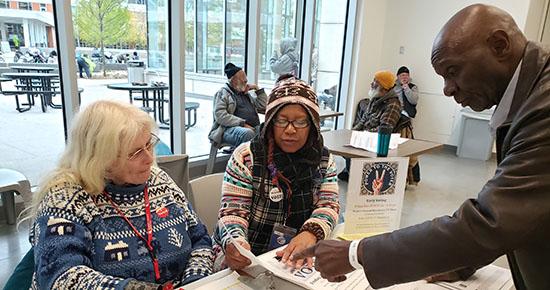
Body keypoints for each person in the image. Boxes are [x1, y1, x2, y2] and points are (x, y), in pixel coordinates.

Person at [292, 4, 550, 290]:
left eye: (453, 71)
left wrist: (357, 253)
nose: (447, 89)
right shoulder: (531, 96)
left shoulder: (543, 108)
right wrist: (461, 262)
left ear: (500, 45)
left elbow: (491, 221)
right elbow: (514, 212)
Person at [29, 100, 214, 289]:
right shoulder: (63, 198)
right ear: (99, 159)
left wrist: (196, 280)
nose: (150, 159)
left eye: (149, 144)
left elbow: (200, 238)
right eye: (134, 153)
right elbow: (61, 278)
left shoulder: (159, 180)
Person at [212, 75, 340, 271]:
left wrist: (311, 232)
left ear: (313, 125)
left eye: (300, 122)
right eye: (282, 121)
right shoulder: (246, 156)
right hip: (251, 257)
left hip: (295, 256)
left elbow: (329, 205)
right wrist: (236, 243)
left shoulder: (323, 160)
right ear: (271, 122)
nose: (290, 130)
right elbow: (232, 211)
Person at [337, 70, 402, 181]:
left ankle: (356, 174)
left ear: (384, 87)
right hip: (365, 137)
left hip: (376, 141)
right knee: (344, 144)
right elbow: (363, 120)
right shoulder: (375, 98)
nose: (372, 84)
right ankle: (351, 171)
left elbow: (384, 129)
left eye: (376, 82)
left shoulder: (393, 104)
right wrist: (352, 132)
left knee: (353, 149)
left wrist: (363, 135)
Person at [208, 63, 268, 148]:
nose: (246, 80)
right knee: (248, 133)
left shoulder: (245, 93)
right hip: (227, 130)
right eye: (242, 78)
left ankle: (265, 160)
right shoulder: (222, 93)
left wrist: (257, 89)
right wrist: (242, 123)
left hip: (252, 127)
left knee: (269, 129)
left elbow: (263, 107)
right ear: (233, 80)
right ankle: (249, 160)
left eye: (245, 78)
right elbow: (220, 116)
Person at [394, 66, 421, 184]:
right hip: (394, 114)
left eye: (406, 75)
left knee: (407, 145)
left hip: (406, 118)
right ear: (397, 77)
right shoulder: (393, 87)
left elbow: (413, 100)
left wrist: (406, 87)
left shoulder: (413, 87)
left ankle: (411, 176)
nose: (404, 77)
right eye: (402, 75)